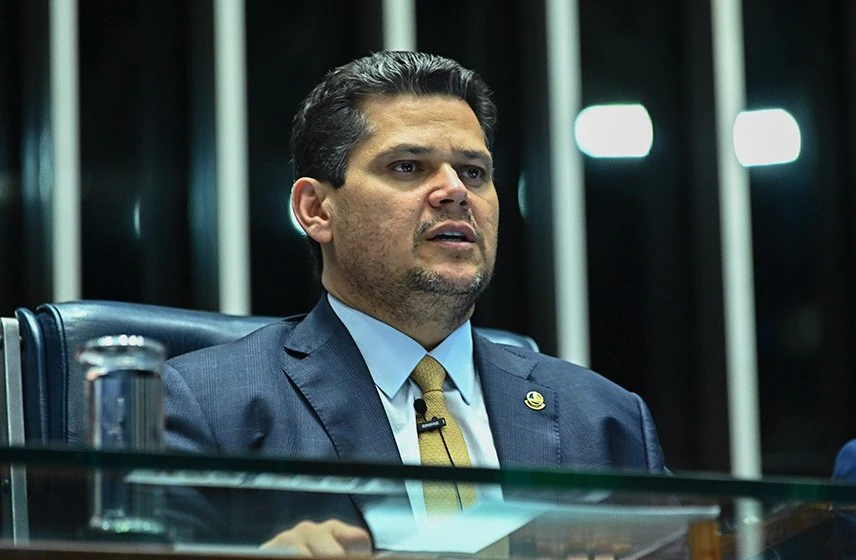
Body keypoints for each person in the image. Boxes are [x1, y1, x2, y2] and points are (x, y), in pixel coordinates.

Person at [163, 51, 667, 555]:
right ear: (316, 210)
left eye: (473, 172)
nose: (454, 191)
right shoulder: (204, 407)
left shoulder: (606, 421)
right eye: (407, 167)